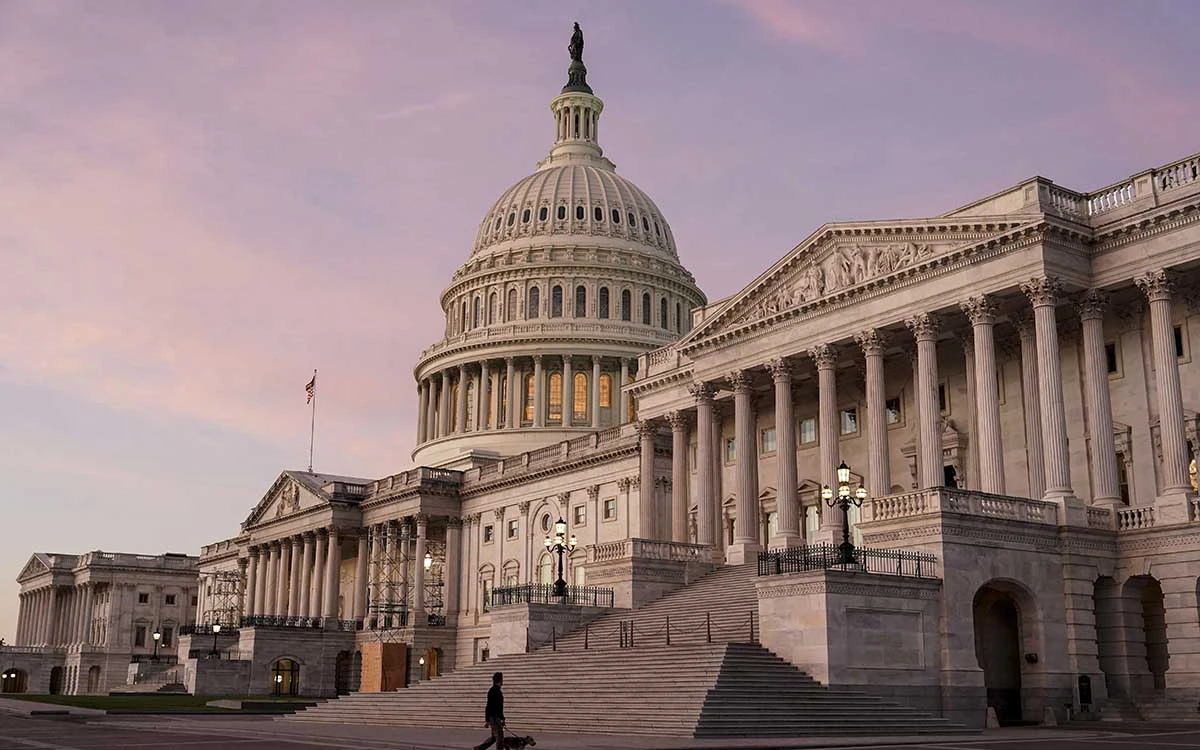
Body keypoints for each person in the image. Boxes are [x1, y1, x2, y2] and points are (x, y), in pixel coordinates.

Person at [474, 671, 505, 750]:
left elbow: (490, 706)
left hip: (493, 717)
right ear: (500, 680)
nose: (503, 681)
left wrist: (488, 719)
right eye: (502, 679)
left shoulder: (493, 690)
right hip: (495, 718)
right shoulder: (495, 691)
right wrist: (500, 718)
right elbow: (495, 707)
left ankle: (479, 748)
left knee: (494, 737)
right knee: (500, 737)